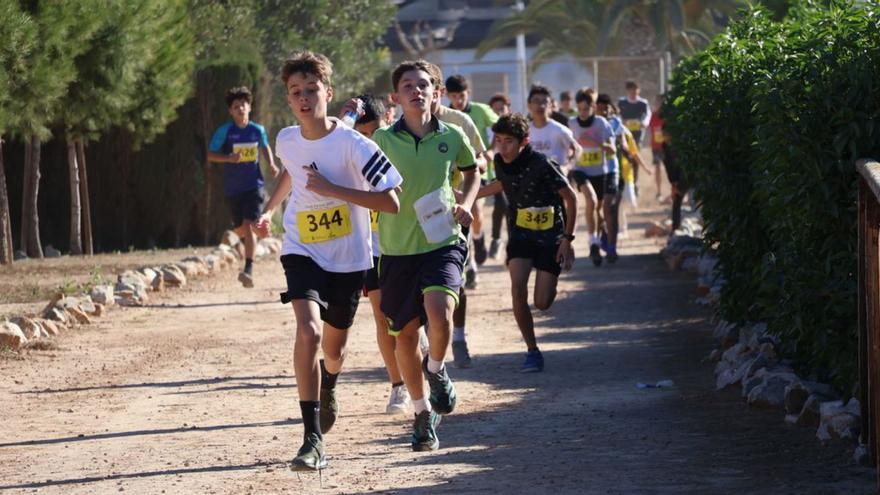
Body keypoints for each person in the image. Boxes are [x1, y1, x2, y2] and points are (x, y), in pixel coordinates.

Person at [253, 51, 403, 471]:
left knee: (332, 351)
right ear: (288, 98)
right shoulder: (286, 139)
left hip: (349, 258)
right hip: (302, 248)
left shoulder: (354, 145)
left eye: (311, 90)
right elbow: (291, 173)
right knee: (307, 331)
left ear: (328, 93)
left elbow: (391, 202)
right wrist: (269, 210)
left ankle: (330, 383)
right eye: (295, 92)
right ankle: (311, 440)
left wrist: (337, 189)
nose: (303, 98)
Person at [373, 60, 480, 452]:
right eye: (408, 86)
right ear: (396, 96)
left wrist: (466, 201)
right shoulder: (382, 140)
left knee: (440, 312)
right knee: (404, 339)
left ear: (436, 92)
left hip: (442, 240)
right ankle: (421, 415)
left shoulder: (452, 136)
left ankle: (435, 369)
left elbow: (472, 171)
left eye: (424, 85)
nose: (416, 91)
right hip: (398, 250)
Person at [477, 113, 577, 372]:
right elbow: (501, 183)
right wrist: (466, 195)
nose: (503, 147)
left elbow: (571, 198)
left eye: (508, 141)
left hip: (549, 238)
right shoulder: (499, 161)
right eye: (498, 140)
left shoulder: (542, 163)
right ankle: (532, 351)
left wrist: (567, 240)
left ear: (524, 141)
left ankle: (548, 289)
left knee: (542, 302)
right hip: (520, 235)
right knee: (517, 288)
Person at [338, 93, 412, 415]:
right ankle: (398, 387)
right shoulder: (349, 150)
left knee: (408, 319)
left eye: (373, 133)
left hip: (408, 244)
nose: (369, 141)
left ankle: (417, 349)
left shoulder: (403, 144)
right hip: (372, 248)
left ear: (387, 120)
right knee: (382, 319)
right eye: (363, 134)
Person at [426, 63, 489, 369]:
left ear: (437, 92)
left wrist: (469, 186)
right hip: (418, 213)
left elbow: (482, 159)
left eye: (428, 89)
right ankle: (428, 343)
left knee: (455, 279)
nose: (421, 95)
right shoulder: (400, 126)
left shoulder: (459, 122)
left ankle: (459, 338)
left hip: (454, 210)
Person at [207, 86, 280, 288]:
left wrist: (272, 164)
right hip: (233, 189)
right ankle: (247, 245)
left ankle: (248, 269)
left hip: (254, 186)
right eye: (236, 106)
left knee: (249, 225)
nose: (240, 109)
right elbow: (210, 154)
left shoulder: (257, 130)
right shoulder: (225, 132)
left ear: (249, 107)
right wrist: (228, 158)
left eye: (243, 105)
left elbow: (265, 147)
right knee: (240, 229)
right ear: (230, 111)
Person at [445, 74, 498, 273]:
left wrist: (491, 151)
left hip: (478, 168)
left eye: (462, 96)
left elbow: (500, 130)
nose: (458, 101)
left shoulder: (482, 111)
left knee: (474, 212)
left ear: (469, 93)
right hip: (454, 173)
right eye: (454, 96)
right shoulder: (446, 116)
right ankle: (470, 264)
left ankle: (478, 237)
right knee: (458, 217)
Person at [568, 87, 615, 267]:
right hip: (580, 170)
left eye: (586, 109)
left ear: (593, 108)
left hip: (599, 172)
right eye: (579, 109)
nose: (582, 113)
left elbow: (612, 149)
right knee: (591, 201)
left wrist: (594, 143)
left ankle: (599, 232)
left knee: (599, 210)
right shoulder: (572, 123)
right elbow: (567, 145)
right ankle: (593, 243)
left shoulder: (601, 124)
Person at [526, 84, 581, 170]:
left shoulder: (559, 130)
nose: (541, 106)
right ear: (529, 105)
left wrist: (567, 167)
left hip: (554, 181)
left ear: (551, 106)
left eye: (544, 102)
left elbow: (577, 149)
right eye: (536, 101)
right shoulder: (525, 131)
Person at [487, 93, 511, 260]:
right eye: (495, 110)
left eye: (502, 109)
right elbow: (490, 149)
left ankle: (512, 242)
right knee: (501, 202)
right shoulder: (490, 129)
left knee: (512, 207)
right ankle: (496, 238)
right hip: (495, 173)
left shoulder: (516, 127)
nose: (499, 113)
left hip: (515, 173)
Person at [617, 81, 651, 189]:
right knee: (622, 158)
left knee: (635, 157)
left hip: (637, 135)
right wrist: (621, 122)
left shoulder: (643, 103)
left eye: (635, 90)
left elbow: (647, 115)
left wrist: (644, 123)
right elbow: (617, 115)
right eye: (631, 90)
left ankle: (634, 183)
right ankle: (621, 181)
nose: (633, 92)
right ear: (627, 91)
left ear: (638, 90)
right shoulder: (622, 102)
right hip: (623, 136)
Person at [648, 94, 666, 201]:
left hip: (667, 146)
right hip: (656, 146)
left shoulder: (669, 116)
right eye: (658, 103)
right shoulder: (653, 115)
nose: (660, 105)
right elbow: (651, 129)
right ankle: (659, 192)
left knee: (671, 169)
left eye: (662, 103)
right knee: (658, 168)